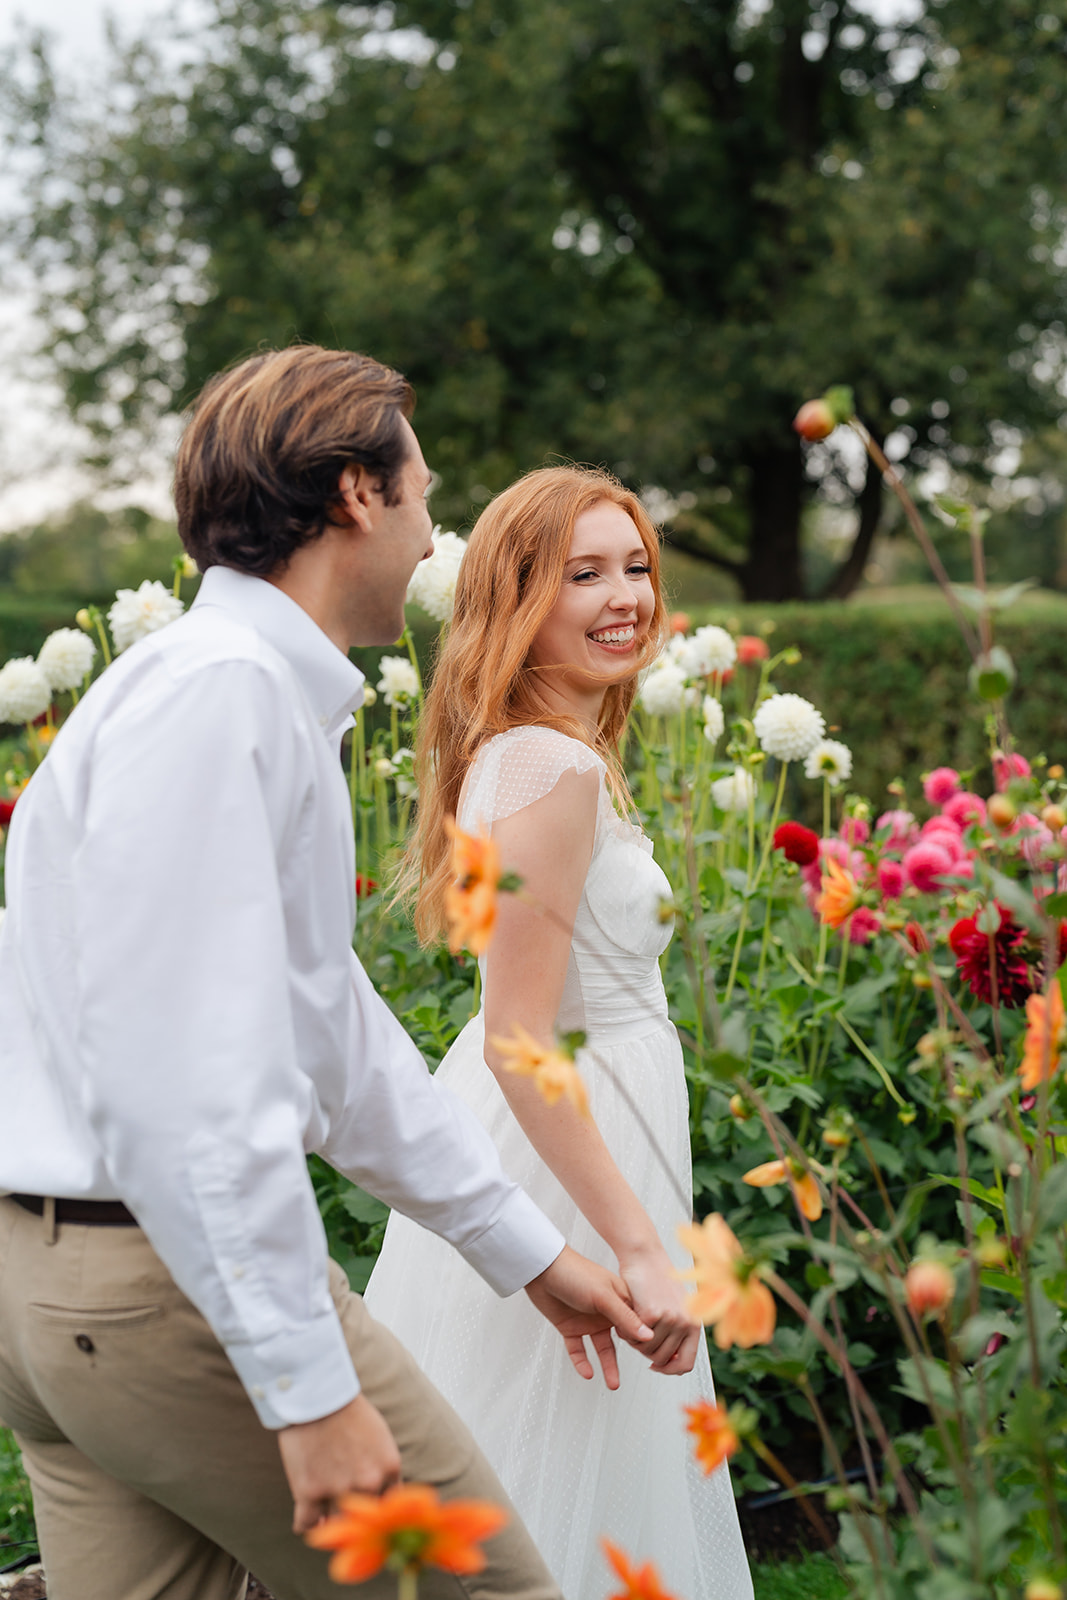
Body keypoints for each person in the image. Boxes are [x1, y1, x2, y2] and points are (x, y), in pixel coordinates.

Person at [0, 348, 660, 1600]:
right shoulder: (222, 706)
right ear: (356, 493)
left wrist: (525, 1251)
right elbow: (194, 1089)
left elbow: (337, 1039)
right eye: (419, 493)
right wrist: (305, 1391)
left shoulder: (207, 693)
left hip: (68, 1291)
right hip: (167, 1294)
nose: (429, 536)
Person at [364, 466, 754, 1599]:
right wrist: (634, 1241)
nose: (623, 594)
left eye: (633, 565)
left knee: (551, 1461)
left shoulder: (533, 750)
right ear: (515, 599)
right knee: (564, 1463)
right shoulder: (548, 765)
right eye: (582, 573)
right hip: (570, 1146)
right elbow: (514, 1033)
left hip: (575, 1126)